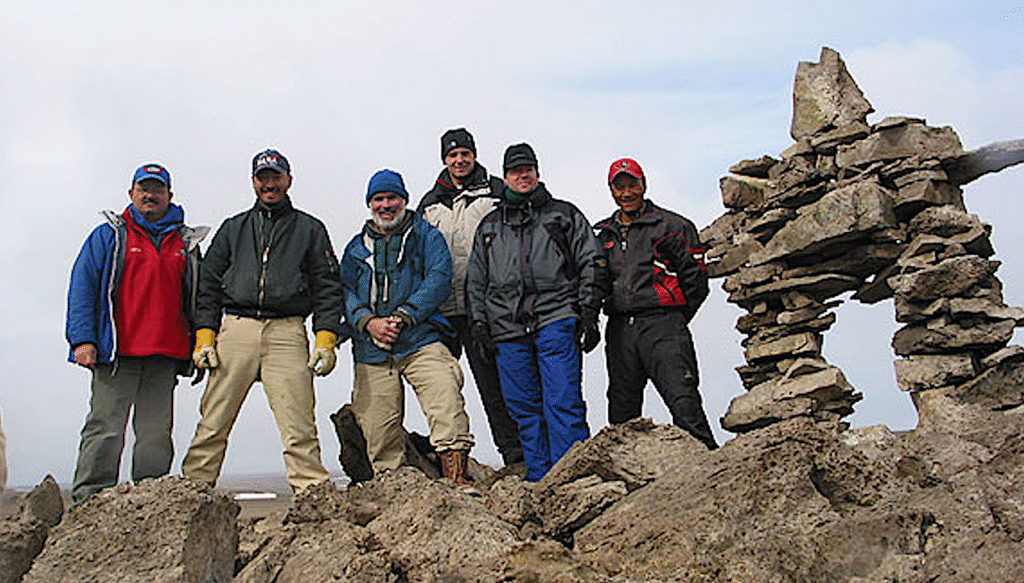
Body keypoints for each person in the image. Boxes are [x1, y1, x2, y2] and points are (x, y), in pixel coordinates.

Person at [183, 149, 344, 492]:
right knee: (213, 421)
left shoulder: (310, 229)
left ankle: (313, 496)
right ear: (254, 182)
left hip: (287, 332)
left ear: (289, 180)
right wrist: (205, 336)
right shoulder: (232, 229)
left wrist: (326, 338)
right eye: (263, 178)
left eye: (276, 177)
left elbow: (328, 287)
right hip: (236, 329)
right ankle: (193, 492)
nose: (269, 185)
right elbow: (208, 285)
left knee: (299, 425)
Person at [65, 163, 207, 504]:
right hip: (116, 353)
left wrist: (199, 345)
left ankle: (150, 502)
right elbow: (82, 286)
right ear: (131, 194)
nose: (150, 195)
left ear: (169, 196)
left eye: (157, 189)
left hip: (165, 355)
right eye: (143, 188)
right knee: (105, 428)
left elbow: (201, 297)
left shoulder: (186, 243)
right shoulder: (110, 235)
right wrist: (82, 340)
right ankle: (89, 502)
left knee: (156, 434)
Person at [467, 143, 603, 482]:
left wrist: (588, 310)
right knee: (524, 410)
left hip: (556, 317)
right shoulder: (489, 226)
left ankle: (571, 477)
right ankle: (540, 479)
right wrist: (480, 325)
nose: (522, 175)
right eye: (515, 171)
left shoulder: (563, 215)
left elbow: (591, 261)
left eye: (528, 169)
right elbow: (476, 279)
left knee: (563, 400)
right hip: (507, 329)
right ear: (505, 177)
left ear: (537, 173)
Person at [343, 169, 476, 489]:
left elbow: (440, 278)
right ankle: (392, 489)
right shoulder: (355, 248)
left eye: (391, 198)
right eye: (378, 199)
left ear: (404, 199)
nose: (386, 205)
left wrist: (404, 316)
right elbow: (344, 291)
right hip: (372, 347)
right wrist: (369, 322)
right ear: (369, 204)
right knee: (378, 425)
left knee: (445, 393)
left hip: (421, 337)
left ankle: (456, 477)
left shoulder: (427, 236)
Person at [593, 158, 718, 450]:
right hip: (620, 328)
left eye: (632, 185)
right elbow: (597, 281)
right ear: (611, 190)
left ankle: (710, 469)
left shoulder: (673, 226)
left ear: (644, 185)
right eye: (619, 186)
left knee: (684, 402)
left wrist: (674, 316)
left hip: (664, 326)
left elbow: (697, 282)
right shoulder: (604, 235)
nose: (626, 193)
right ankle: (628, 485)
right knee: (622, 415)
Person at [417, 128, 524, 467]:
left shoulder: (496, 191)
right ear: (444, 159)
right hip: (443, 310)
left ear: (474, 155)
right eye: (452, 155)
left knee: (495, 386)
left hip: (487, 309)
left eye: (465, 153)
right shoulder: (429, 203)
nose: (459, 160)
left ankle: (515, 455)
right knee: (441, 388)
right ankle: (450, 455)